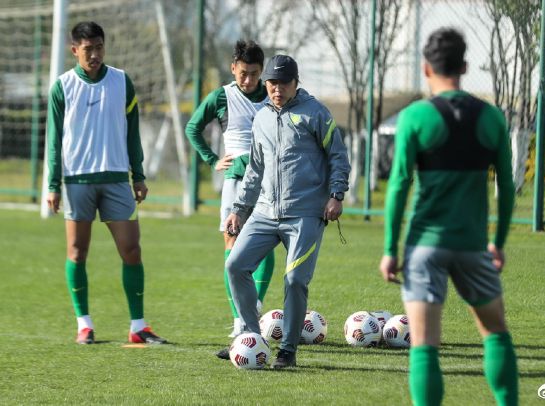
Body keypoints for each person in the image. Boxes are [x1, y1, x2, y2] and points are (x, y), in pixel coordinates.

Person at [379, 28, 518, 405]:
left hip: (425, 246)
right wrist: (499, 242)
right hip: (473, 246)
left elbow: (398, 186)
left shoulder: (415, 117)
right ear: (465, 67)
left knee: (424, 344)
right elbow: (506, 187)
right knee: (495, 332)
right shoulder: (491, 117)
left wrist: (391, 248)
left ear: (426, 68)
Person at [216, 55, 350, 368]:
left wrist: (336, 195)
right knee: (235, 265)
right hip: (264, 212)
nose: (278, 89)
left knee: (294, 280)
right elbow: (254, 169)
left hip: (305, 214)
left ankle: (288, 350)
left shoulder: (315, 113)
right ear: (267, 84)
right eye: (273, 83)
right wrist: (239, 209)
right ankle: (250, 336)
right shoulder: (260, 117)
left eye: (284, 83)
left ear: (295, 83)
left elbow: (338, 157)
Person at [46, 21, 166, 345]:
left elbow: (132, 131)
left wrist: (137, 174)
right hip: (76, 181)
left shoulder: (121, 82)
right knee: (77, 252)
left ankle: (138, 326)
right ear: (75, 51)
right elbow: (54, 140)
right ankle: (84, 324)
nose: (95, 55)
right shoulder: (62, 86)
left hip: (116, 180)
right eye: (88, 50)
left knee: (131, 249)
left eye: (99, 47)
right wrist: (52, 184)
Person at [185, 40, 275, 338]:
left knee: (265, 245)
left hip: (269, 184)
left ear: (262, 72)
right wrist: (212, 160)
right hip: (235, 183)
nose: (248, 80)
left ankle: (255, 306)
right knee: (232, 247)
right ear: (233, 67)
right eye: (243, 73)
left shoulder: (274, 95)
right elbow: (192, 128)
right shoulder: (221, 96)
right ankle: (239, 319)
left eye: (255, 73)